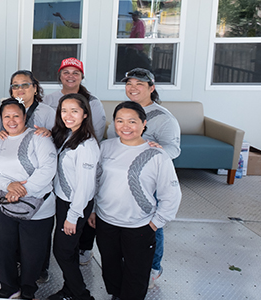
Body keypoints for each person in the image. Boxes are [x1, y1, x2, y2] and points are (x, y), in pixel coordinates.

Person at [90, 101, 181, 300]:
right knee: (111, 267)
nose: (125, 126)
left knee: (137, 273)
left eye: (132, 121)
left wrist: (156, 223)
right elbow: (96, 181)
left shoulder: (157, 154)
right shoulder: (105, 147)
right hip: (106, 221)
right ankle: (116, 294)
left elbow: (171, 193)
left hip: (140, 224)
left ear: (143, 124)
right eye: (120, 121)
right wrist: (94, 210)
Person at [114, 68, 181, 289]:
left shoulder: (163, 117)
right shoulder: (125, 111)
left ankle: (153, 268)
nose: (133, 88)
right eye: (129, 83)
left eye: (139, 84)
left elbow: (174, 149)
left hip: (147, 181)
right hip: (122, 180)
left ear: (151, 88)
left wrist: (155, 150)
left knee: (151, 225)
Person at [0, 98, 57, 299]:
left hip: (38, 208)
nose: (12, 120)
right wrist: (9, 186)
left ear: (25, 117)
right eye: (6, 116)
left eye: (16, 115)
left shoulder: (39, 137)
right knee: (5, 248)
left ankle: (28, 290)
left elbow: (47, 169)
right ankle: (9, 287)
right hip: (7, 206)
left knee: (32, 253)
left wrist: (20, 191)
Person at [46, 93, 100, 300]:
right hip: (64, 201)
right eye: (64, 110)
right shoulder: (68, 134)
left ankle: (82, 295)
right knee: (71, 249)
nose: (68, 115)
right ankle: (69, 290)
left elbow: (86, 186)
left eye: (74, 111)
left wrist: (73, 216)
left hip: (75, 204)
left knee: (62, 252)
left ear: (85, 114)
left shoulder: (86, 145)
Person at [43, 57, 106, 134]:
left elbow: (98, 131)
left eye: (75, 73)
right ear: (60, 76)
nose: (70, 76)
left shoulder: (92, 101)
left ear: (81, 77)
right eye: (66, 72)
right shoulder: (47, 100)